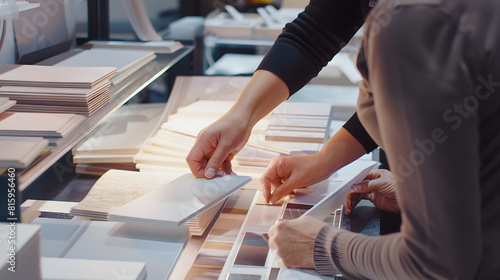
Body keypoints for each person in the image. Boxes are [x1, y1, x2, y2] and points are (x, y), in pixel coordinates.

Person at [188, 0, 500, 278]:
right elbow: (316, 32)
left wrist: (323, 246)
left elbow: (439, 264)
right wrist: (244, 115)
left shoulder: (413, 24)